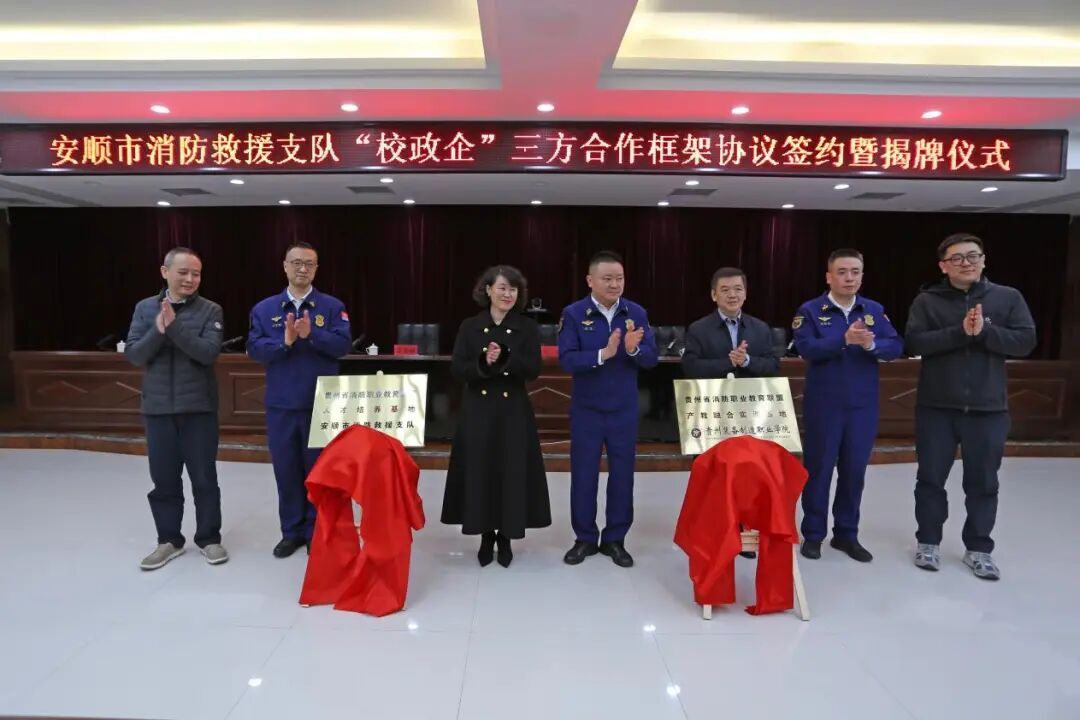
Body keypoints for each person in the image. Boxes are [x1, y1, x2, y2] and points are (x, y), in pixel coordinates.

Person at [905, 233, 1035, 581]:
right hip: (936, 407)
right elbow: (914, 342)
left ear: (983, 260)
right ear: (943, 266)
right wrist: (960, 332)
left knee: (984, 482)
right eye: (957, 258)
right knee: (930, 479)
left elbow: (1025, 341)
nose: (966, 263)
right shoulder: (927, 300)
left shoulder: (1007, 297)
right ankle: (928, 542)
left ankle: (979, 549)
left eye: (973, 256)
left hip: (988, 409)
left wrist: (985, 332)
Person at [793, 248, 903, 563]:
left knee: (854, 471)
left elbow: (896, 346)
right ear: (829, 277)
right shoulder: (811, 310)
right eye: (842, 272)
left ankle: (846, 534)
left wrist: (871, 344)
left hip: (862, 407)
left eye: (855, 272)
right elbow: (806, 348)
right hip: (824, 406)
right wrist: (842, 340)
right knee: (819, 470)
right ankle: (814, 534)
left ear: (862, 276)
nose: (849, 278)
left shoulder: (873, 310)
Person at [441, 265, 551, 567]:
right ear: (488, 290)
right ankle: (485, 535)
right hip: (478, 410)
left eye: (513, 289)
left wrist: (505, 358)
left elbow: (533, 370)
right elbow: (457, 369)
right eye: (502, 288)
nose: (508, 294)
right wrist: (483, 361)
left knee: (510, 471)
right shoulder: (470, 326)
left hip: (512, 410)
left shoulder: (527, 327)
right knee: (481, 470)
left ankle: (506, 537)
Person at [124, 247, 227, 570]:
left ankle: (209, 538)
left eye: (196, 274)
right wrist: (158, 329)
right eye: (183, 272)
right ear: (164, 272)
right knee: (164, 480)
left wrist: (174, 327)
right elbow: (135, 355)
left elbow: (208, 353)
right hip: (157, 410)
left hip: (198, 409)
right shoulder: (144, 308)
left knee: (204, 478)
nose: (190, 279)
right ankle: (168, 540)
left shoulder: (210, 310)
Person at [247, 242, 351, 558]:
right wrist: (285, 342)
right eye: (296, 263)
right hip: (282, 405)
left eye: (309, 263)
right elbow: (255, 349)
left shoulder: (332, 306)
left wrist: (312, 335)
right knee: (287, 471)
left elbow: (343, 346)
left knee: (319, 473)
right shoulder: (265, 309)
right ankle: (291, 533)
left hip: (322, 406)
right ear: (285, 266)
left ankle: (316, 532)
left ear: (316, 269)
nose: (302, 268)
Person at [558, 250, 658, 568]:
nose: (615, 284)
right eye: (607, 279)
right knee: (584, 475)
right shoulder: (574, 314)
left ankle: (615, 538)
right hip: (587, 410)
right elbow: (567, 359)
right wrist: (603, 354)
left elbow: (652, 358)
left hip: (623, 410)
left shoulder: (636, 313)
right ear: (590, 280)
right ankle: (585, 538)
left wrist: (634, 349)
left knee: (622, 476)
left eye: (620, 278)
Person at [683, 266, 781, 558]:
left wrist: (747, 360)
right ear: (714, 295)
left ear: (745, 293)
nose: (732, 294)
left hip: (750, 414)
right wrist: (728, 362)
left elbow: (773, 366)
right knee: (713, 475)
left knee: (747, 475)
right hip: (713, 414)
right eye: (725, 290)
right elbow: (690, 367)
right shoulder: (699, 329)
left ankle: (744, 534)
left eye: (738, 289)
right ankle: (714, 532)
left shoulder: (760, 329)